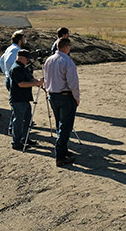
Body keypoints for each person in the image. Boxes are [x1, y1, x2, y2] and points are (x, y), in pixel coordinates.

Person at [43, 38, 80, 167]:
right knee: (65, 127)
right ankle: (60, 156)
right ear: (66, 47)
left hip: (53, 95)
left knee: (60, 124)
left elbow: (46, 79)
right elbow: (73, 83)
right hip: (65, 96)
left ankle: (63, 150)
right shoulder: (67, 62)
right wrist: (77, 97)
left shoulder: (49, 60)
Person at [9, 50, 43, 150]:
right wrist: (35, 83)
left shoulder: (23, 68)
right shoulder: (16, 68)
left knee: (27, 120)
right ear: (21, 57)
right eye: (27, 59)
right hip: (18, 99)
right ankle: (16, 142)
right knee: (18, 121)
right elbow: (21, 84)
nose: (28, 61)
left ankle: (25, 138)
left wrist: (38, 83)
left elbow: (30, 79)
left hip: (25, 99)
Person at [0, 30, 27, 134]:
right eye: (24, 38)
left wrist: (6, 72)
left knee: (16, 106)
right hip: (13, 80)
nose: (25, 40)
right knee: (18, 105)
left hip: (10, 78)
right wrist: (12, 74)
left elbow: (1, 61)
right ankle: (15, 129)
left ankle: (13, 128)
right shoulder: (15, 50)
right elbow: (7, 61)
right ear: (20, 40)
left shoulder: (10, 48)